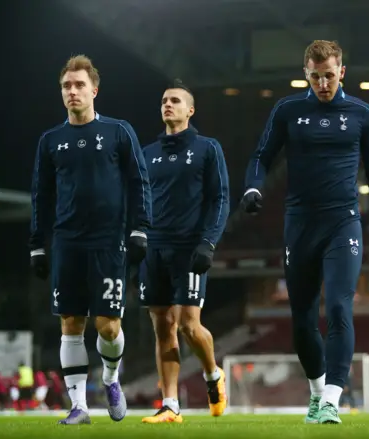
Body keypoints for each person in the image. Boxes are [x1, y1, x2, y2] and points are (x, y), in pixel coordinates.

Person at [240, 40, 369, 424]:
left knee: (340, 306)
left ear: (342, 72)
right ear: (305, 73)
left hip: (344, 222)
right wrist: (253, 186)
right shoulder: (288, 110)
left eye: (329, 75)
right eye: (315, 76)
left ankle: (331, 398)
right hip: (300, 225)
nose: (323, 83)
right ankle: (316, 391)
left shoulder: (362, 114)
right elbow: (262, 155)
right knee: (302, 318)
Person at [29, 54, 152, 425]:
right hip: (67, 241)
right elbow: (41, 196)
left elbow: (138, 181)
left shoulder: (118, 131)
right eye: (66, 86)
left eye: (79, 84)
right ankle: (79, 406)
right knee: (70, 322)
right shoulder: (51, 141)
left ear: (94, 89)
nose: (72, 91)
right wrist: (37, 243)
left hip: (107, 240)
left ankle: (111, 378)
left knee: (108, 326)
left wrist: (140, 227)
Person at [138, 80, 230, 423]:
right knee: (163, 326)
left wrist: (209, 242)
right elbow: (138, 200)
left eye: (175, 100)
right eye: (164, 100)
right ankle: (171, 405)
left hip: (189, 248)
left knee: (190, 326)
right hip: (154, 248)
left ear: (190, 110)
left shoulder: (208, 148)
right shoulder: (146, 154)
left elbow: (220, 198)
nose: (168, 105)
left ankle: (212, 375)